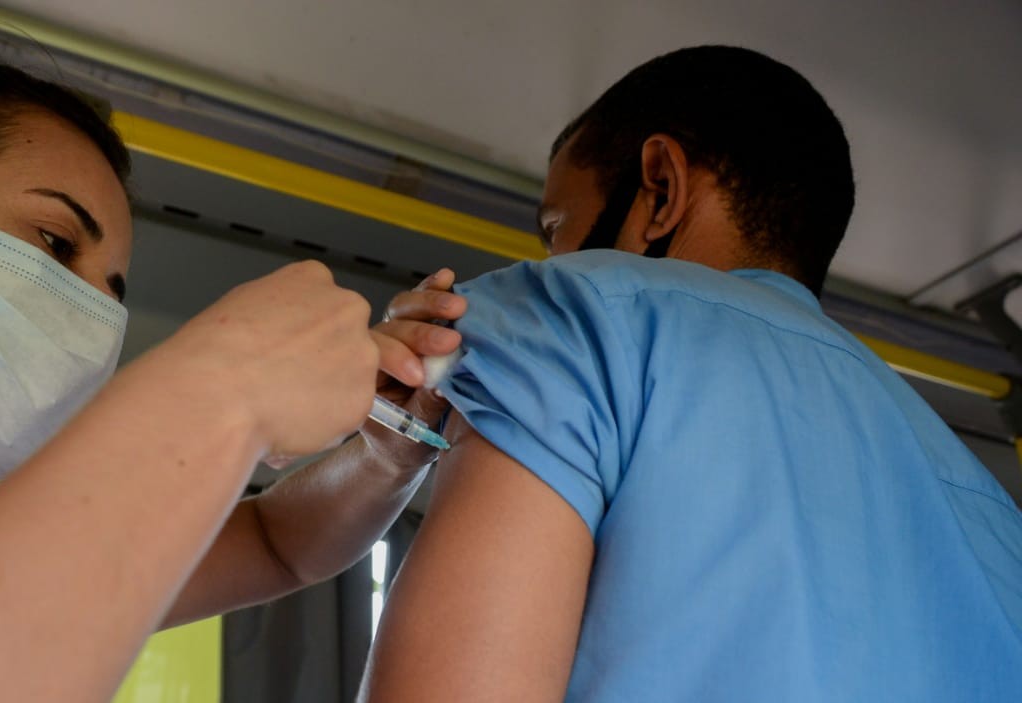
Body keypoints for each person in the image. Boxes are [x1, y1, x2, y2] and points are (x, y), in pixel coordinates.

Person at [0, 63, 466, 700]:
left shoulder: (30, 556)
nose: (86, 317)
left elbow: (279, 543)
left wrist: (388, 450)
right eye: (55, 243)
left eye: (110, 294)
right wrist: (217, 387)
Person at [363, 46, 1022, 701]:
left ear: (660, 188)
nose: (554, 257)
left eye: (557, 228)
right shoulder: (992, 510)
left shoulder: (571, 315)